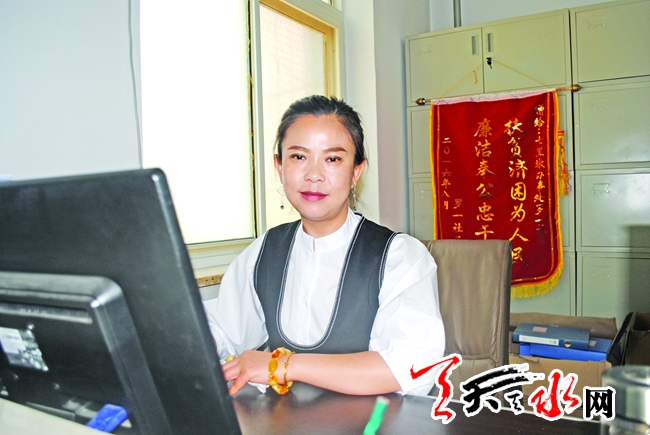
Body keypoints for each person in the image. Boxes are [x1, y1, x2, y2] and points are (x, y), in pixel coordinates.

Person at [203, 95, 444, 396]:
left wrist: (285, 365)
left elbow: (412, 367)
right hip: (284, 419)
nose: (313, 175)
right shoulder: (265, 251)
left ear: (355, 172)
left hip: (374, 420)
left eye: (332, 159)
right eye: (298, 157)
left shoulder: (398, 257)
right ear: (279, 166)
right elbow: (224, 330)